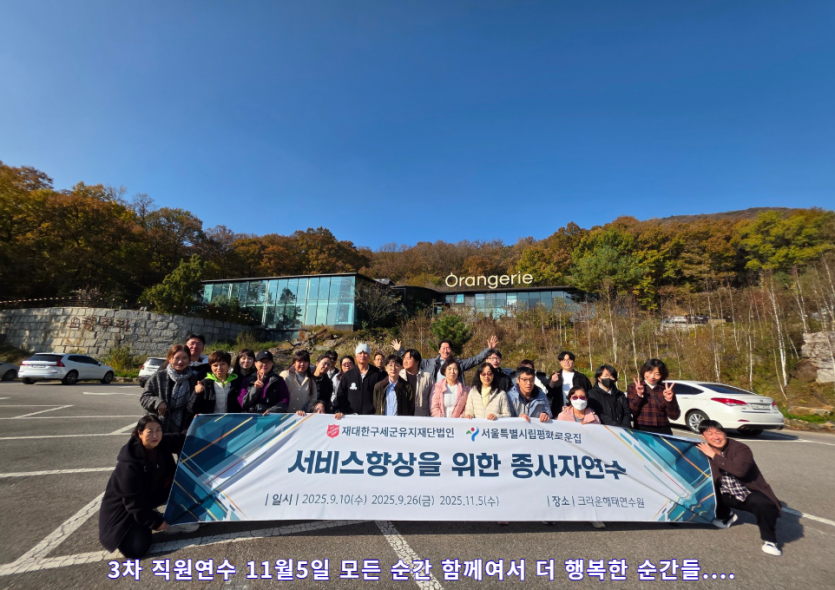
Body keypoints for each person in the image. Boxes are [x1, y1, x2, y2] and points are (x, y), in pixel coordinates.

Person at [98, 416, 194, 558]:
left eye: (158, 430)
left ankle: (175, 518)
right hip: (125, 511)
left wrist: (198, 422)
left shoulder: (162, 443)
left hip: (150, 496)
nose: (155, 435)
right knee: (136, 549)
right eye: (150, 431)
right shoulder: (129, 465)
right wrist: (156, 522)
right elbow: (134, 504)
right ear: (140, 433)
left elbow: (182, 436)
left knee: (186, 483)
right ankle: (157, 518)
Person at [696, 420, 782, 556]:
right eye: (710, 433)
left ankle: (770, 540)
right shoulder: (703, 450)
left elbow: (739, 471)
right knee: (706, 490)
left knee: (763, 503)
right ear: (703, 436)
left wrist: (713, 455)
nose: (716, 437)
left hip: (748, 492)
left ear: (725, 433)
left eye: (719, 432)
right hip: (726, 493)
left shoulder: (741, 449)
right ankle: (726, 516)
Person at [391, 335, 499, 386]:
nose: (445, 350)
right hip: (435, 395)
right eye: (443, 348)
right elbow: (414, 359)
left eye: (448, 348)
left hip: (454, 394)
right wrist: (400, 350)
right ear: (439, 350)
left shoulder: (458, 364)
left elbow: (475, 360)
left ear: (451, 350)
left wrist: (488, 349)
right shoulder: (429, 363)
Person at [140, 344, 197, 434]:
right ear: (170, 359)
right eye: (176, 358)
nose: (180, 361)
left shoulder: (193, 380)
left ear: (189, 360)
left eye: (184, 358)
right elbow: (144, 398)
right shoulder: (159, 377)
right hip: (158, 427)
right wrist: (158, 402)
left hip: (183, 429)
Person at [626, 359, 680, 435]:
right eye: (649, 372)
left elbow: (674, 416)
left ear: (662, 375)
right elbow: (632, 411)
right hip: (641, 428)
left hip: (663, 429)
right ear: (644, 371)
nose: (652, 376)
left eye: (657, 374)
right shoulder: (633, 387)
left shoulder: (666, 390)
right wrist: (639, 395)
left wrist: (669, 400)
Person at [334, 343, 386, 415]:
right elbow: (341, 394)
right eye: (360, 353)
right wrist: (344, 410)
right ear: (356, 356)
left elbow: (382, 394)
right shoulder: (348, 375)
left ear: (369, 356)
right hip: (350, 415)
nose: (362, 355)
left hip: (371, 416)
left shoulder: (377, 374)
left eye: (365, 353)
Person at [189, 350, 241, 415]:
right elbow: (191, 408)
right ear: (211, 367)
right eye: (215, 365)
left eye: (222, 364)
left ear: (228, 365)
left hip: (231, 419)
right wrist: (197, 394)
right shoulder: (204, 383)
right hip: (211, 420)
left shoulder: (236, 382)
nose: (219, 368)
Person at [548, 351, 593, 417]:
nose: (566, 362)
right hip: (559, 413)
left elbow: (590, 394)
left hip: (579, 413)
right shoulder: (554, 377)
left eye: (569, 359)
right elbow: (548, 395)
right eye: (563, 360)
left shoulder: (582, 378)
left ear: (573, 361)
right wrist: (552, 382)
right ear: (560, 362)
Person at [587, 364, 631, 428]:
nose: (609, 378)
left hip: (622, 430)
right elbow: (598, 413)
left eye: (611, 376)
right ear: (599, 378)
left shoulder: (620, 395)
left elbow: (627, 412)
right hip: (603, 429)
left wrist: (625, 426)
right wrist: (615, 427)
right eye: (606, 376)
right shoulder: (592, 394)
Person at [281, 350, 318, 414]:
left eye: (305, 361)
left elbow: (313, 398)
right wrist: (291, 375)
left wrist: (306, 411)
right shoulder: (285, 375)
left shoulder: (311, 379)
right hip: (283, 414)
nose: (302, 364)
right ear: (294, 363)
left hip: (301, 416)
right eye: (299, 361)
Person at [401, 349, 434, 416]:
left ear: (417, 361)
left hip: (421, 417)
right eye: (404, 358)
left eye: (408, 358)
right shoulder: (399, 376)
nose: (405, 361)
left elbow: (433, 398)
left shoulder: (427, 377)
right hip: (403, 417)